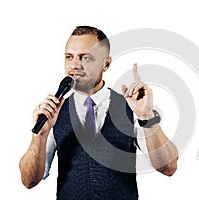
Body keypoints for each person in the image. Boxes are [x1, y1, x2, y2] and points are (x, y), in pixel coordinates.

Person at [19, 26, 178, 200]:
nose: (74, 66)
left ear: (106, 63)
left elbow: (168, 168)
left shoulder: (130, 108)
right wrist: (40, 136)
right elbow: (29, 181)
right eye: (69, 57)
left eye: (85, 58)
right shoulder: (53, 114)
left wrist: (145, 116)